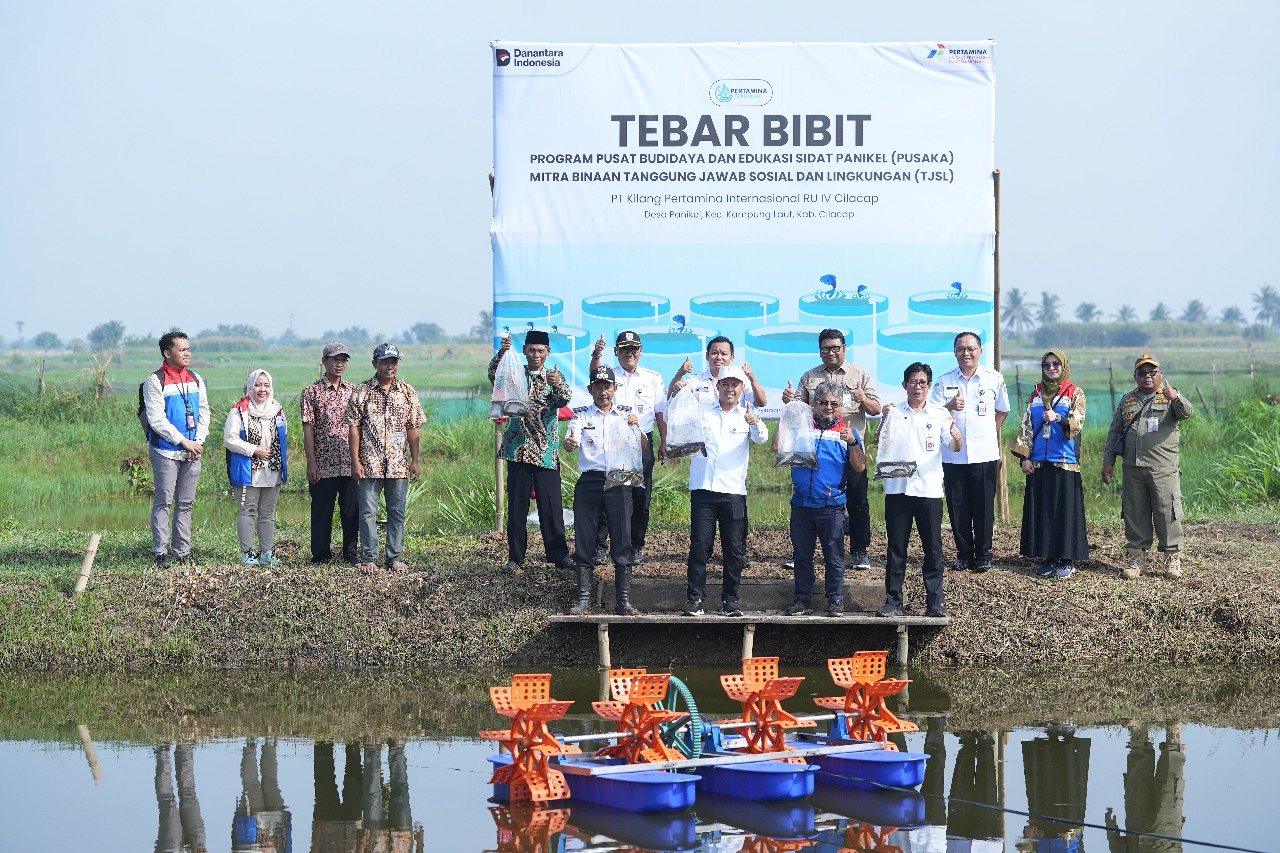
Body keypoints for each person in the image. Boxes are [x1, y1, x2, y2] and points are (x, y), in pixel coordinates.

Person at [782, 328, 881, 570]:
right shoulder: (810, 376)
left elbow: (876, 408)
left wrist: (862, 398)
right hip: (818, 449)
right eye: (826, 348)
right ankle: (802, 552)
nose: (831, 352)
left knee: (857, 502)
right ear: (820, 351)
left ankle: (859, 550)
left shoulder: (859, 374)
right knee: (810, 500)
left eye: (836, 348)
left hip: (849, 447)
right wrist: (789, 400)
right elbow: (798, 408)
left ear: (844, 349)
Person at [874, 363, 962, 618]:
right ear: (904, 385)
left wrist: (957, 436)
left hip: (929, 489)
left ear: (929, 386)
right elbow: (881, 442)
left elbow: (954, 446)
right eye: (913, 382)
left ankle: (934, 602)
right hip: (898, 488)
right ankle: (893, 601)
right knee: (896, 547)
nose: (917, 387)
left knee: (933, 548)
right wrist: (882, 419)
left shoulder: (939, 414)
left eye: (923, 383)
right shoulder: (894, 411)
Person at [682, 366, 769, 617]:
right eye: (725, 385)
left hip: (732, 491)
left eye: (735, 385)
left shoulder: (747, 414)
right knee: (699, 546)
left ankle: (730, 600)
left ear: (743, 389)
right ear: (717, 387)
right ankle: (695, 599)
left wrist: (755, 423)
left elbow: (762, 438)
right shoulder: (702, 411)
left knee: (733, 550)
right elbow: (681, 424)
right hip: (703, 489)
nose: (730, 389)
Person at [777, 380, 866, 617]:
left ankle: (835, 599)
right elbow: (777, 445)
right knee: (802, 556)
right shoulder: (801, 426)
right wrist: (787, 412)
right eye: (823, 402)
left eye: (834, 404)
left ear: (841, 407)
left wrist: (853, 442)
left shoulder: (848, 432)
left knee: (834, 557)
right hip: (802, 504)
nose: (828, 407)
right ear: (814, 404)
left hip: (831, 505)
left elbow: (860, 467)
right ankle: (802, 600)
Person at [489, 330, 575, 574]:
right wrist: (503, 353)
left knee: (551, 507)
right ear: (525, 351)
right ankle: (515, 557)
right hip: (518, 450)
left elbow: (564, 400)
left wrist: (557, 385)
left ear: (548, 353)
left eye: (540, 351)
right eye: (531, 350)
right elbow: (493, 375)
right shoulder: (514, 372)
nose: (536, 355)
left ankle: (558, 555)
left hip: (546, 452)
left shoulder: (554, 376)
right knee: (516, 508)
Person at [1102, 354, 1193, 580]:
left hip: (1163, 468)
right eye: (1142, 372)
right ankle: (1136, 558)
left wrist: (1177, 397)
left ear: (1160, 374)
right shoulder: (1127, 400)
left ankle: (1172, 558)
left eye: (1152, 372)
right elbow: (1115, 432)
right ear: (1135, 376)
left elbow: (1187, 413)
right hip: (1133, 468)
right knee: (1134, 512)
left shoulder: (1169, 396)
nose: (1147, 376)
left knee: (1166, 512)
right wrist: (1108, 461)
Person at [563, 365, 644, 615]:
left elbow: (644, 446)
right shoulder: (582, 416)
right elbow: (570, 439)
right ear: (590, 390)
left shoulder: (627, 414)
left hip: (620, 480)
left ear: (615, 388)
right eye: (597, 387)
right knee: (585, 537)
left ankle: (623, 601)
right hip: (590, 481)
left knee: (622, 537)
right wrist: (570, 441)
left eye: (607, 386)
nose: (603, 392)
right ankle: (584, 599)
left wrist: (637, 427)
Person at [929, 332, 1011, 572]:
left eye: (971, 348)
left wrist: (985, 433)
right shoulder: (944, 381)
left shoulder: (994, 379)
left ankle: (984, 554)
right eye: (961, 349)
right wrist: (949, 406)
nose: (966, 353)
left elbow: (1002, 411)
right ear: (954, 352)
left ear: (980, 351)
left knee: (984, 505)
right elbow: (932, 414)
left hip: (984, 454)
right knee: (957, 505)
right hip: (953, 456)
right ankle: (964, 554)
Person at [588, 330, 668, 563]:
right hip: (613, 442)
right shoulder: (609, 375)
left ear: (640, 352)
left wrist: (664, 442)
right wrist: (596, 354)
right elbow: (594, 373)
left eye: (633, 349)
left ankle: (635, 545)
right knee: (610, 493)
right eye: (624, 349)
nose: (629, 354)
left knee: (640, 496)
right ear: (616, 352)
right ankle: (601, 546)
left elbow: (660, 413)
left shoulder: (652, 377)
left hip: (642, 442)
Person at [346, 343, 425, 574]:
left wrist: (415, 460)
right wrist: (355, 461)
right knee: (368, 512)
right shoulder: (362, 392)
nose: (390, 366)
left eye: (394, 362)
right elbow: (353, 429)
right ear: (375, 364)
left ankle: (395, 557)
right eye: (385, 362)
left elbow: (414, 428)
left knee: (397, 512)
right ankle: (369, 558)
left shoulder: (408, 392)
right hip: (369, 463)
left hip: (398, 464)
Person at [1011, 350, 1089, 578]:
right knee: (1043, 512)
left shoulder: (1075, 392)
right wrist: (1025, 458)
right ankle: (1048, 557)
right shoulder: (1036, 394)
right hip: (1038, 464)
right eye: (1047, 365)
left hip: (1065, 462)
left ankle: (1066, 559)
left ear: (1063, 366)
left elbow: (1078, 422)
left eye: (1056, 364)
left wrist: (1059, 418)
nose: (1051, 368)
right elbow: (1026, 427)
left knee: (1064, 512)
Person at [142, 331, 211, 568]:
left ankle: (182, 552)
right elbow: (157, 420)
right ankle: (160, 552)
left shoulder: (195, 378)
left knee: (186, 502)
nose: (187, 353)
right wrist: (184, 441)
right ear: (167, 353)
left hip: (193, 451)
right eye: (182, 350)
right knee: (164, 501)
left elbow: (204, 412)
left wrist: (198, 441)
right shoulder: (155, 380)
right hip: (166, 452)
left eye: (188, 349)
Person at [300, 342, 359, 565]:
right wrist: (311, 463)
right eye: (335, 359)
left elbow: (359, 427)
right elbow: (308, 430)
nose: (339, 364)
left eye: (343, 360)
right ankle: (321, 555)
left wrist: (358, 461)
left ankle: (351, 553)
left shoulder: (354, 391)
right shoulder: (311, 392)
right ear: (324, 361)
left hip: (350, 462)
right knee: (321, 512)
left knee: (351, 511)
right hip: (323, 464)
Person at [224, 369, 288, 566]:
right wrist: (254, 450)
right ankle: (248, 553)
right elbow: (230, 439)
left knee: (267, 513)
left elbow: (283, 437)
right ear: (250, 386)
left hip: (273, 469)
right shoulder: (239, 411)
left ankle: (267, 552)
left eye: (266, 385)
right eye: (258, 385)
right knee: (248, 510)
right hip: (248, 469)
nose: (262, 389)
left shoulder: (277, 410)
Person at [667, 335, 767, 406]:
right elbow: (671, 402)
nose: (719, 357)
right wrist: (680, 374)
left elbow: (761, 403)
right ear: (707, 356)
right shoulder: (694, 380)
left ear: (732, 358)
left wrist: (752, 378)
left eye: (724, 354)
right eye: (714, 353)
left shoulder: (741, 380)